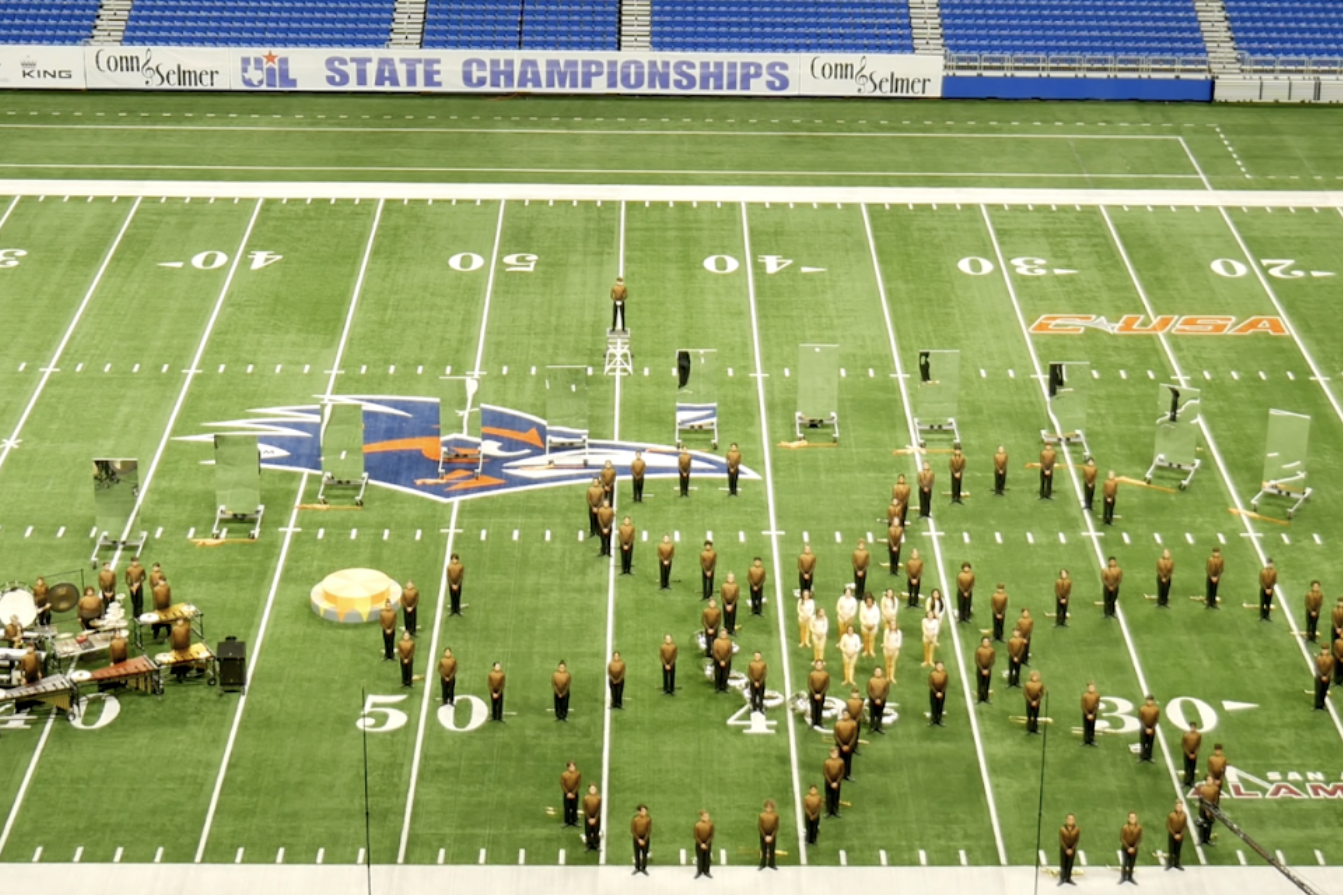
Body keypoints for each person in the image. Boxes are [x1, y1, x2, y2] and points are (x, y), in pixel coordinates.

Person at [834, 709, 858, 780]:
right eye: (844, 714)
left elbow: (854, 735)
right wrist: (841, 745)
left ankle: (847, 774)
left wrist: (849, 746)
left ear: (849, 715)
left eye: (846, 714)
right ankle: (839, 775)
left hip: (849, 744)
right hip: (840, 744)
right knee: (839, 760)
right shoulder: (838, 723)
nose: (845, 716)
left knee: (848, 760)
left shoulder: (853, 723)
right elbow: (836, 735)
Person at [1196, 775, 1219, 845]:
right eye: (1208, 780)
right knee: (1202, 823)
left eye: (1211, 780)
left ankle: (1207, 839)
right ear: (1206, 781)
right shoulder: (1203, 789)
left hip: (1211, 808)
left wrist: (1212, 809)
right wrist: (1206, 810)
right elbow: (1201, 800)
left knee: (1209, 824)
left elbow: (1216, 799)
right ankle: (1201, 839)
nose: (1210, 781)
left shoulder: (1215, 789)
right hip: (1203, 808)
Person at [1119, 812, 1142, 884]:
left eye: (1134, 818)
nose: (1132, 819)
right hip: (1126, 848)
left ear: (1136, 818)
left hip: (1134, 848)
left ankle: (1130, 877)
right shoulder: (1125, 827)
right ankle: (1123, 877)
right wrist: (1128, 848)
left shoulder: (1139, 828)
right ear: (1128, 819)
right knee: (1125, 863)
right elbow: (1122, 838)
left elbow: (1139, 839)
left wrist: (1134, 848)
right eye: (1131, 818)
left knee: (1132, 863)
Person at [757, 799, 779, 870]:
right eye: (767, 807)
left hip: (772, 834)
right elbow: (760, 826)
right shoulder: (762, 815)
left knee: (772, 850)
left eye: (770, 807)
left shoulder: (775, 815)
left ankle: (772, 864)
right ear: (765, 808)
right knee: (764, 850)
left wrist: (772, 836)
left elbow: (776, 826)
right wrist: (765, 836)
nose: (769, 809)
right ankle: (762, 864)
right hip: (764, 834)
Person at [1058, 813, 1080, 885]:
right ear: (1066, 820)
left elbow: (1077, 840)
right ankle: (1062, 878)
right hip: (1064, 848)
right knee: (1063, 863)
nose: (1071, 821)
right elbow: (1061, 840)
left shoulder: (1077, 829)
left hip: (1072, 848)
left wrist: (1072, 849)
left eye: (1072, 819)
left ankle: (1068, 878)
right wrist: (1066, 849)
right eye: (1069, 819)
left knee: (1070, 864)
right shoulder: (1062, 829)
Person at [170, 617, 193, 682]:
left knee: (178, 661)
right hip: (184, 647)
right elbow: (188, 638)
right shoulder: (186, 628)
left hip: (177, 648)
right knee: (184, 660)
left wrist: (173, 649)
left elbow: (173, 641)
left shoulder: (174, 629)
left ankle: (179, 675)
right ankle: (184, 673)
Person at [823, 748, 845, 817]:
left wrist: (837, 782)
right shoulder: (827, 762)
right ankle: (828, 811)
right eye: (833, 753)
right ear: (830, 753)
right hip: (829, 781)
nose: (834, 754)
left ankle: (836, 810)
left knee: (836, 796)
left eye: (836, 753)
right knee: (828, 796)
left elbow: (842, 773)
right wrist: (830, 783)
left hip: (837, 781)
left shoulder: (841, 762)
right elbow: (825, 773)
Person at [867, 666, 890, 734]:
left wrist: (881, 699)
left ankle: (879, 727)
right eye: (876, 671)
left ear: (881, 672)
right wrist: (875, 699)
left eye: (879, 671)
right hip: (872, 700)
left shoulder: (885, 681)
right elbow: (869, 691)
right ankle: (872, 727)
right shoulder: (871, 680)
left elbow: (887, 691)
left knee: (880, 713)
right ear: (874, 672)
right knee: (872, 714)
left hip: (882, 700)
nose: (878, 673)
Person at [1138, 695, 1160, 763]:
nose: (1149, 702)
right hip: (1144, 728)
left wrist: (1151, 728)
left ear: (1153, 701)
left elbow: (1156, 720)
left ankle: (1149, 756)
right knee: (1143, 743)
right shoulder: (1142, 708)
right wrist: (1146, 728)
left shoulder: (1156, 709)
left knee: (1150, 743)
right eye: (1148, 700)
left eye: (1150, 700)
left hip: (1152, 728)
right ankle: (1142, 756)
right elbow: (1140, 719)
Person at [1166, 799, 1187, 871]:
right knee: (1171, 850)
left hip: (1180, 835)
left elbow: (1185, 826)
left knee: (1178, 850)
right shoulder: (1171, 815)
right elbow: (1168, 826)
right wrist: (1174, 834)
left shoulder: (1184, 815)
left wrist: (1180, 834)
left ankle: (1177, 863)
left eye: (1181, 806)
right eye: (1178, 806)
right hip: (1172, 834)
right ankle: (1169, 864)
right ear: (1175, 806)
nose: (1179, 807)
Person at [807, 660, 829, 729]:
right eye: (817, 665)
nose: (819, 666)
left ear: (822, 666)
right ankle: (813, 722)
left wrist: (821, 694)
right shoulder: (812, 674)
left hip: (821, 693)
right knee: (813, 708)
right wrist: (814, 694)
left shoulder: (825, 674)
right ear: (815, 666)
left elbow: (827, 685)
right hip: (813, 693)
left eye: (820, 665)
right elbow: (810, 685)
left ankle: (819, 722)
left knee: (820, 708)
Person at [693, 811, 714, 879]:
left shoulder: (710, 824)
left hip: (707, 843)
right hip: (699, 844)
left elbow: (711, 835)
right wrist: (701, 844)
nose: (707, 818)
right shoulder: (697, 825)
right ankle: (699, 871)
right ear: (701, 817)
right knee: (700, 858)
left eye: (707, 816)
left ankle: (706, 871)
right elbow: (696, 836)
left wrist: (707, 843)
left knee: (707, 858)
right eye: (705, 816)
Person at [631, 804, 651, 875]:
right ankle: (637, 867)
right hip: (637, 838)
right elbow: (633, 830)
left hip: (645, 838)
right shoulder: (635, 819)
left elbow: (649, 831)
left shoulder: (648, 819)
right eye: (643, 811)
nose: (645, 812)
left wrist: (644, 840)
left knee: (644, 853)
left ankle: (643, 868)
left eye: (645, 811)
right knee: (637, 853)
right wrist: (638, 839)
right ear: (639, 812)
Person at [974, 636, 995, 704]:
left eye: (987, 642)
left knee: (987, 684)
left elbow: (993, 661)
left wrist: (988, 669)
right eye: (984, 642)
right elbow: (977, 660)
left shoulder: (991, 650)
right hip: (980, 669)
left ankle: (986, 698)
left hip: (988, 669)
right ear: (982, 642)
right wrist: (982, 669)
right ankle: (979, 698)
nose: (986, 643)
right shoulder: (979, 650)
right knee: (980, 684)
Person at [560, 762, 582, 827]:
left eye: (574, 766)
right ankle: (566, 821)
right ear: (568, 767)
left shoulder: (578, 774)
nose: (573, 768)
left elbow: (578, 784)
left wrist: (573, 793)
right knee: (567, 807)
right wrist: (567, 793)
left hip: (575, 793)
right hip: (566, 794)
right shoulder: (564, 775)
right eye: (571, 767)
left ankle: (574, 821)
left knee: (574, 807)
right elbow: (562, 784)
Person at [859, 593, 880, 658]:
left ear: (872, 602)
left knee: (872, 639)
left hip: (873, 626)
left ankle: (871, 650)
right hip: (865, 627)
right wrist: (865, 624)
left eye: (870, 602)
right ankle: (866, 650)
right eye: (867, 602)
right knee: (865, 639)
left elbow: (878, 617)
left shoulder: (876, 608)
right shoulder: (863, 608)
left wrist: (873, 624)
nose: (869, 603)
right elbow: (861, 617)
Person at [1181, 722, 1202, 786]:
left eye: (1194, 727)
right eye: (1192, 727)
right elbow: (1183, 745)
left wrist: (1195, 754)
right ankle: (1185, 781)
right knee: (1186, 767)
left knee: (1192, 768)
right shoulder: (1186, 735)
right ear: (1190, 727)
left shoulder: (1198, 735)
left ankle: (1191, 781)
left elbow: (1198, 745)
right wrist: (1188, 754)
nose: (1193, 729)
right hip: (1187, 753)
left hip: (1194, 753)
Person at [1024, 670, 1044, 734]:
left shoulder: (1040, 684)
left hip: (1037, 701)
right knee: (1029, 716)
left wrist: (1037, 701)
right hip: (1029, 701)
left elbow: (1042, 693)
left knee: (1036, 716)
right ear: (1031, 677)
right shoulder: (1027, 684)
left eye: (1036, 677)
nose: (1035, 678)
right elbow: (1025, 694)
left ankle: (1035, 729)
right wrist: (1031, 701)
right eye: (1033, 677)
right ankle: (1028, 729)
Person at [928, 661, 948, 726]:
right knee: (933, 706)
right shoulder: (932, 674)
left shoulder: (945, 674)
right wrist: (936, 693)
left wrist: (941, 692)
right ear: (935, 666)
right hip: (934, 692)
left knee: (940, 706)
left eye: (941, 666)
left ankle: (939, 719)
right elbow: (930, 684)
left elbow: (945, 684)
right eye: (938, 666)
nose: (940, 667)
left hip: (942, 692)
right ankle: (933, 719)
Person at [583, 784, 602, 852]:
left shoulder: (599, 798)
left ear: (596, 789)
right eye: (591, 789)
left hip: (596, 818)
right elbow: (585, 809)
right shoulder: (586, 798)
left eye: (594, 789)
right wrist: (589, 818)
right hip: (588, 818)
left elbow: (599, 809)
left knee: (595, 831)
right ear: (589, 790)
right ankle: (588, 845)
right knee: (588, 832)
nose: (592, 790)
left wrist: (595, 818)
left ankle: (596, 845)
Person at [1081, 682, 1100, 746]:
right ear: (1088, 688)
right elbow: (1083, 706)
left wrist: (1093, 714)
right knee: (1086, 727)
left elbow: (1097, 705)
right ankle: (1085, 740)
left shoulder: (1097, 695)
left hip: (1093, 713)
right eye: (1090, 687)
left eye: (1092, 687)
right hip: (1086, 712)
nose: (1091, 689)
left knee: (1092, 727)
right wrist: (1087, 714)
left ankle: (1092, 740)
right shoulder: (1085, 695)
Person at [1316, 645, 1334, 710]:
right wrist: (1321, 676)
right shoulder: (1318, 658)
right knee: (1318, 691)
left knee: (1324, 691)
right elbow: (1316, 668)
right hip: (1319, 677)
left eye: (1326, 650)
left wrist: (1327, 676)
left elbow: (1331, 668)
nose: (1325, 651)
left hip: (1327, 677)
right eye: (1323, 650)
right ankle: (1317, 705)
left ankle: (1322, 704)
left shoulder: (1331, 658)